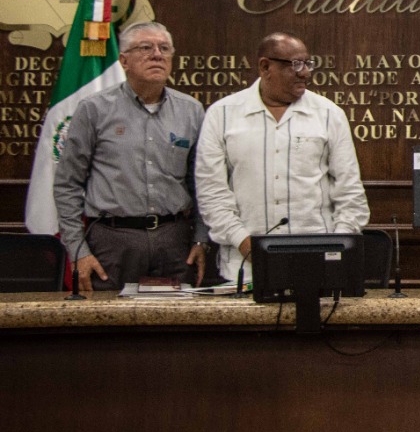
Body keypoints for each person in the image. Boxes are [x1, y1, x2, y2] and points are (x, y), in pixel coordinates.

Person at [195, 31, 369, 284]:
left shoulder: (329, 115)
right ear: (265, 67)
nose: (305, 73)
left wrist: (336, 247)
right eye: (295, 64)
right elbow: (211, 193)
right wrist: (244, 243)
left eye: (308, 63)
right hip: (244, 268)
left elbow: (350, 193)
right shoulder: (222, 115)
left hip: (319, 269)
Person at [54, 21, 209, 291]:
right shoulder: (94, 109)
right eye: (146, 48)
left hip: (175, 241)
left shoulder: (192, 111)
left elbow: (201, 184)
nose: (157, 55)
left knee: (178, 317)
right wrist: (79, 250)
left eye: (164, 48)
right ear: (124, 60)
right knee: (108, 316)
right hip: (112, 242)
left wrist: (200, 238)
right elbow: (67, 184)